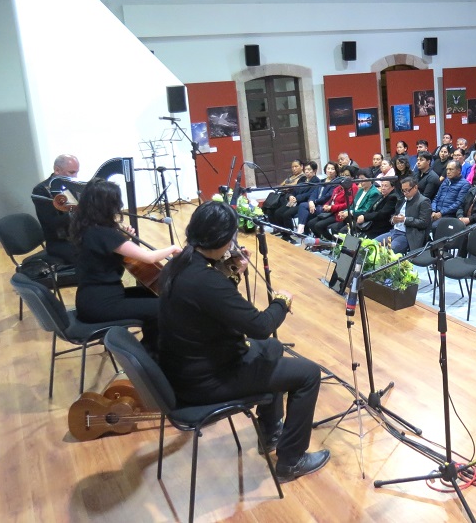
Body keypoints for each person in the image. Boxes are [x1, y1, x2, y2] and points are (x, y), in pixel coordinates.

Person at [157, 200, 328, 482]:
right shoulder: (205, 281)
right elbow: (260, 326)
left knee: (272, 349)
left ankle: (271, 432)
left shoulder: (181, 264)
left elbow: (213, 305)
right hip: (206, 381)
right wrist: (282, 301)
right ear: (223, 239)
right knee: (308, 373)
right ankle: (292, 460)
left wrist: (232, 270)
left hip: (187, 368)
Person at [70, 178, 182, 353]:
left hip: (90, 299)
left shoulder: (86, 227)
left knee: (153, 295)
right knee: (163, 307)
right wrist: (173, 248)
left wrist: (124, 240)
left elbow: (105, 251)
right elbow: (148, 258)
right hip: (102, 304)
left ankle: (152, 345)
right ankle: (150, 353)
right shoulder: (105, 234)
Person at [32, 153, 80, 264]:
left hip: (77, 236)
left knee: (105, 245)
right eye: (72, 172)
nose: (75, 177)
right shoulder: (41, 190)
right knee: (91, 255)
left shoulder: (70, 186)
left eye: (77, 172)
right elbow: (51, 223)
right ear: (57, 170)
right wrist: (76, 213)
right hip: (59, 242)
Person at [375, 177, 431, 254]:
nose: (405, 193)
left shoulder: (424, 201)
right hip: (394, 231)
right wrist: (393, 219)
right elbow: (395, 214)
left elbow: (424, 223)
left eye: (407, 190)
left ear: (415, 187)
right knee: (372, 244)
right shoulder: (402, 199)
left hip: (407, 235)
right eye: (403, 190)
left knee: (388, 253)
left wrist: (404, 220)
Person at [305, 167, 355, 239]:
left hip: (339, 213)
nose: (344, 177)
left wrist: (332, 207)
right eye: (342, 175)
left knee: (319, 225)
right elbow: (331, 199)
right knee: (311, 223)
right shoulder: (339, 186)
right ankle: (321, 240)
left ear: (352, 177)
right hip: (331, 211)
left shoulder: (353, 187)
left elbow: (348, 204)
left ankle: (331, 242)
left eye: (347, 175)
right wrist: (326, 205)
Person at [326, 172, 379, 237]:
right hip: (351, 217)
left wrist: (350, 212)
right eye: (359, 179)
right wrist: (345, 211)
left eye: (362, 179)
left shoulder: (374, 193)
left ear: (370, 180)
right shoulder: (360, 190)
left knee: (343, 231)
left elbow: (366, 210)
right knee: (333, 227)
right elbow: (352, 205)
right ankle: (337, 245)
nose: (360, 182)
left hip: (360, 218)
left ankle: (348, 246)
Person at [431, 161, 472, 227]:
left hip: (449, 214)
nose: (448, 172)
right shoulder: (446, 181)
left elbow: (458, 204)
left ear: (459, 170)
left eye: (451, 169)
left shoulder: (465, 184)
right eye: (447, 169)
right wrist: (433, 210)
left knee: (435, 226)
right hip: (436, 212)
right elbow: (436, 197)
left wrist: (441, 213)